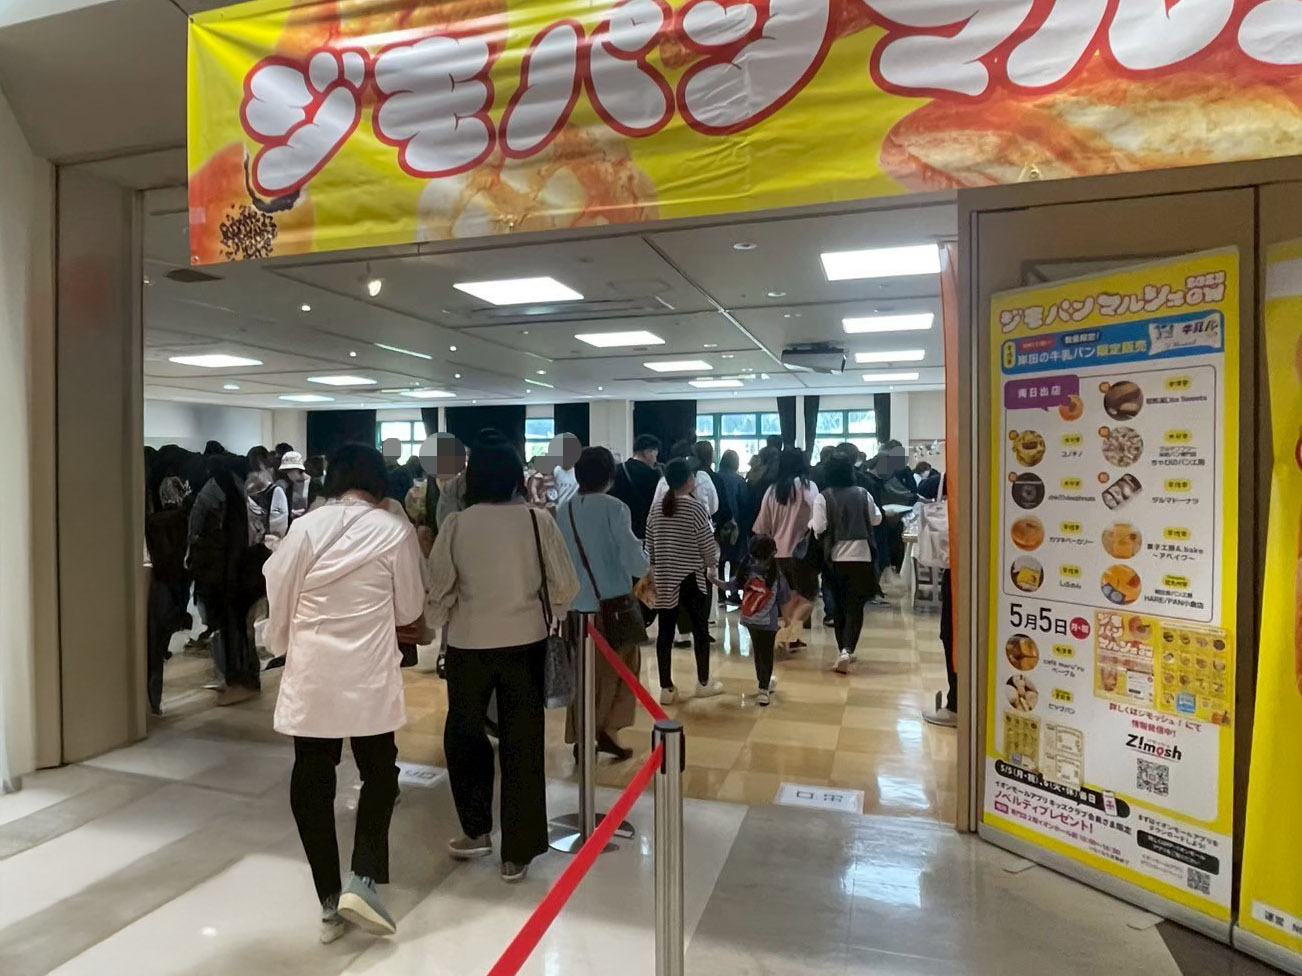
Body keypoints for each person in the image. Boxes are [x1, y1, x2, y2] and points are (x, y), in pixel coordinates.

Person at [263, 444, 425, 942]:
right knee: (380, 772)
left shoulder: (305, 528)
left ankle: (330, 900)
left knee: (312, 780)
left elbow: (279, 593)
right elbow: (409, 609)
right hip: (369, 674)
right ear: (378, 482)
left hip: (314, 674)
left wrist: (282, 642)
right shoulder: (394, 530)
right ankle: (364, 876)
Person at [427, 440, 578, 883]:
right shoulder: (536, 520)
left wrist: (445, 614)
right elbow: (564, 585)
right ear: (517, 478)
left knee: (464, 737)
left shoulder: (456, 524)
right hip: (524, 641)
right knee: (522, 743)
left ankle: (476, 830)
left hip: (468, 644)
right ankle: (519, 850)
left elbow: (438, 591)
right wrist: (548, 609)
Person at [558, 447, 650, 761]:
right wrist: (645, 564)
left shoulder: (564, 510)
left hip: (574, 608)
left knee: (582, 674)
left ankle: (582, 734)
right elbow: (635, 560)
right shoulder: (615, 508)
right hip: (611, 608)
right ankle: (605, 730)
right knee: (618, 672)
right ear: (610, 476)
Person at [187, 454, 263, 706]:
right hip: (239, 573)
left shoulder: (215, 490)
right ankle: (243, 679)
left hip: (224, 574)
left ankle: (236, 681)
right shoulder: (237, 489)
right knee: (242, 628)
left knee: (228, 627)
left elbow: (196, 530)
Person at [646, 459, 721, 704]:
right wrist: (712, 566)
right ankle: (703, 682)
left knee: (665, 633)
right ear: (689, 480)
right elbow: (707, 545)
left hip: (664, 579)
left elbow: (649, 547)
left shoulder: (656, 508)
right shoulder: (695, 508)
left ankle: (666, 688)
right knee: (700, 631)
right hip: (691, 578)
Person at [813, 454, 884, 673]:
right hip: (862, 556)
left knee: (839, 606)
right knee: (855, 605)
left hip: (835, 559)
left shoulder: (823, 497)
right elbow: (877, 519)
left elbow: (819, 527)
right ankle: (848, 649)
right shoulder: (863, 493)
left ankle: (842, 650)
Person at [752, 448, 820, 646]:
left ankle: (791, 637)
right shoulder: (807, 487)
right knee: (808, 596)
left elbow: (761, 526)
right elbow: (818, 515)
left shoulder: (772, 490)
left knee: (789, 597)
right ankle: (789, 632)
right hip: (801, 553)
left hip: (776, 553)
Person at [145, 475, 193, 715]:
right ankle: (154, 701)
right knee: (158, 644)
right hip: (177, 585)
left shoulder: (153, 522)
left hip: (160, 584)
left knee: (153, 647)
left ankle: (152, 701)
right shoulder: (184, 521)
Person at [736, 535, 790, 707]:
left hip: (750, 619)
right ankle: (763, 688)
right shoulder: (776, 574)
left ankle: (763, 682)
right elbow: (783, 599)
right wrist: (787, 620)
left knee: (758, 652)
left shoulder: (746, 571)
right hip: (769, 622)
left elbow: (732, 585)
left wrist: (714, 579)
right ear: (774, 552)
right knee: (766, 654)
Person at [923, 568, 959, 728]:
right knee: (950, 635)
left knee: (952, 635)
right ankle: (956, 701)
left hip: (958, 575)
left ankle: (956, 704)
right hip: (957, 573)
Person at [609, 434, 661, 539]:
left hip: (620, 525)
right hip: (643, 528)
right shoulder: (653, 475)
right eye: (655, 455)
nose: (655, 460)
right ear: (647, 452)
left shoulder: (617, 470)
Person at [715, 449, 749, 604]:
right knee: (735, 560)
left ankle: (721, 594)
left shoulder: (715, 477)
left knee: (721, 560)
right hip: (737, 525)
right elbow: (744, 503)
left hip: (720, 525)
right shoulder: (739, 480)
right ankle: (734, 592)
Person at [278, 451, 312, 523]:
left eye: (290, 470)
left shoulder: (315, 485)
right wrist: (290, 513)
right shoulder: (289, 487)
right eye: (286, 471)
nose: (289, 474)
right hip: (295, 524)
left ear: (299, 469)